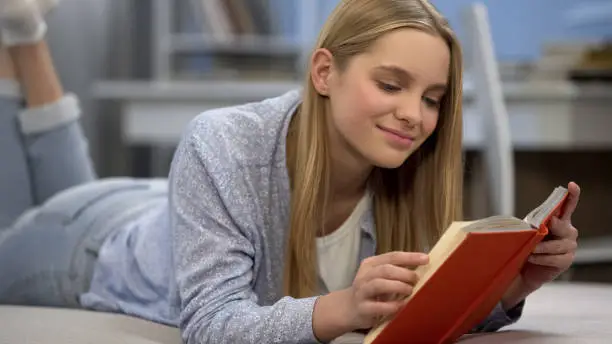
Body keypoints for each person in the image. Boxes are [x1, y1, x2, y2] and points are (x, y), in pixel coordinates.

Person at [0, 0, 582, 343]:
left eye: (433, 98)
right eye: (390, 84)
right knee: (39, 211)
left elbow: (417, 318)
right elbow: (210, 322)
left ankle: (24, 36)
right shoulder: (223, 139)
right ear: (324, 72)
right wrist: (343, 308)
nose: (415, 114)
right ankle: (25, 38)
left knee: (66, 188)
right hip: (89, 244)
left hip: (167, 205)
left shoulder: (409, 164)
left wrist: (510, 287)